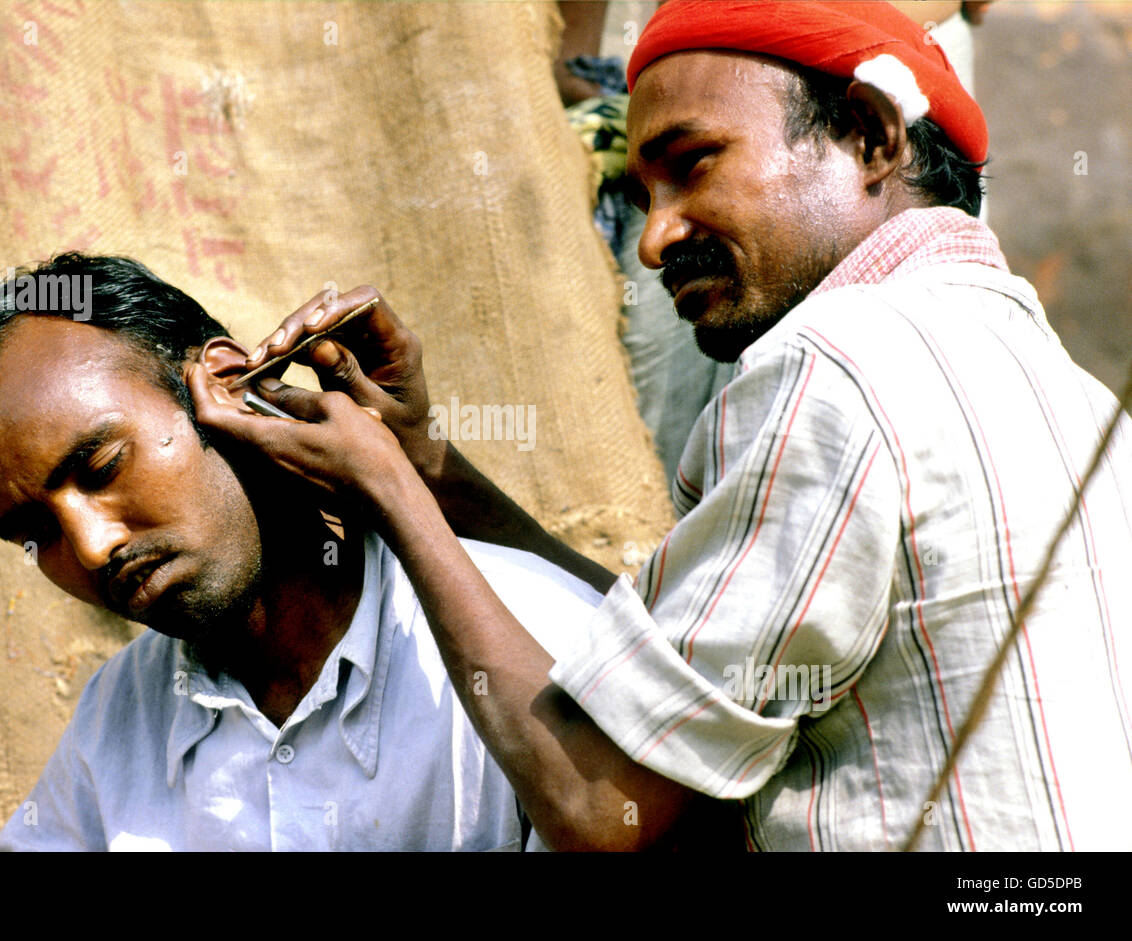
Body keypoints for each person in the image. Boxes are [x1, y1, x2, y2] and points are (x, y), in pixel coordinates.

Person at [199, 1, 1132, 850]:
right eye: (644, 194)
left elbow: (602, 803)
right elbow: (697, 658)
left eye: (693, 166)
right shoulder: (1061, 387)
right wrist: (432, 468)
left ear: (869, 135)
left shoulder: (833, 366)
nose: (653, 238)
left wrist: (386, 490)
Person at [0, 253, 602, 851]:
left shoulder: (528, 642)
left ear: (225, 388)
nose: (91, 548)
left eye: (103, 466)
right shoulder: (120, 716)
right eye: (37, 532)